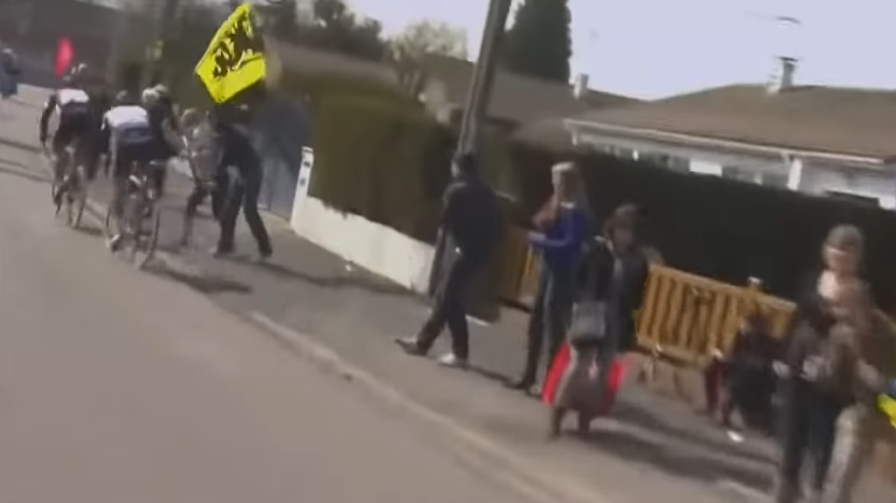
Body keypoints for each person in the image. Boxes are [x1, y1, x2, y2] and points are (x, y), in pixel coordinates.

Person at [772, 224, 867, 503]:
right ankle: (784, 493)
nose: (840, 256)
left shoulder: (861, 291)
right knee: (791, 437)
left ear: (858, 257)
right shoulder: (812, 279)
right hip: (800, 365)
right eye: (836, 248)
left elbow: (863, 334)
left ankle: (815, 493)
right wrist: (782, 355)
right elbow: (796, 318)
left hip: (832, 377)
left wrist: (846, 318)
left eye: (848, 251)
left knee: (821, 441)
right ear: (826, 250)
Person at [548, 203, 649, 437]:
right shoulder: (595, 250)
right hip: (589, 312)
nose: (626, 234)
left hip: (615, 317)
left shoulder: (637, 261)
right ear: (612, 228)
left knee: (603, 373)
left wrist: (628, 315)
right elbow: (578, 279)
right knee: (578, 366)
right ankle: (557, 416)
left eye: (630, 230)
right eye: (622, 228)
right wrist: (580, 304)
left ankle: (586, 418)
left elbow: (637, 295)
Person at [396, 153, 501, 368]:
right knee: (451, 300)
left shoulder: (456, 191)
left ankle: (433, 345)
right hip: (481, 253)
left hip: (462, 249)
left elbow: (443, 220)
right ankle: (442, 347)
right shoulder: (488, 193)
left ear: (457, 168)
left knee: (447, 298)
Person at [508, 162, 590, 392]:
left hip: (563, 274)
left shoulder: (576, 210)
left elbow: (570, 245)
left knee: (554, 329)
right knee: (535, 324)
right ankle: (529, 374)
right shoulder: (556, 202)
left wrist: (539, 240)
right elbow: (541, 220)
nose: (554, 184)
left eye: (558, 180)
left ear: (569, 182)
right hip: (547, 269)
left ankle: (551, 383)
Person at [819, 281, 896, 503]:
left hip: (887, 409)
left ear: (865, 306)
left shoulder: (888, 337)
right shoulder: (839, 334)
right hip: (858, 409)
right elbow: (831, 380)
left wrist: (878, 382)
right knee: (843, 472)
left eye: (848, 308)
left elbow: (889, 388)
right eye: (838, 308)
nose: (842, 314)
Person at [212, 101, 272, 260]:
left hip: (252, 172)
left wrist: (212, 177)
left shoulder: (232, 139)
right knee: (230, 210)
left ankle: (265, 248)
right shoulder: (229, 136)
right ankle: (226, 245)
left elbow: (223, 164)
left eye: (217, 132)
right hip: (243, 172)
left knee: (249, 210)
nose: (215, 135)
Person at [99, 90, 157, 250]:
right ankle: (144, 200)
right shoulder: (141, 111)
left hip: (124, 147)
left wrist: (105, 158)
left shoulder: (111, 113)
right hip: (146, 144)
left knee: (118, 190)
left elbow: (105, 139)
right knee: (141, 176)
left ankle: (120, 233)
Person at [704, 309, 778, 433]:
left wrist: (729, 357)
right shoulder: (744, 335)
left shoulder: (760, 338)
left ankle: (721, 412)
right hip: (742, 367)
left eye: (747, 324)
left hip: (750, 371)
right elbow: (736, 351)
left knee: (731, 380)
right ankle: (720, 411)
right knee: (717, 371)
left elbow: (745, 355)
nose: (744, 326)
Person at [39, 72, 92, 206]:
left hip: (66, 124)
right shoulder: (84, 96)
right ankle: (75, 180)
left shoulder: (57, 94)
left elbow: (45, 116)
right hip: (84, 126)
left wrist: (43, 135)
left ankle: (60, 181)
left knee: (58, 152)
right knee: (78, 153)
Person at [180, 108, 223, 248]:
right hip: (206, 178)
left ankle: (224, 242)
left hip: (211, 178)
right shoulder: (197, 134)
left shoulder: (200, 133)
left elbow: (207, 153)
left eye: (185, 121)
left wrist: (194, 155)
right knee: (192, 207)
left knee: (217, 211)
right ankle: (185, 238)